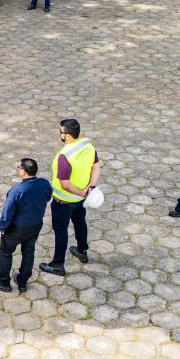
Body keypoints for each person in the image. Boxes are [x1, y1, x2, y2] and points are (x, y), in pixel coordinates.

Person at [39, 119, 101, 277]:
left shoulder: (64, 156)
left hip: (63, 202)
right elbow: (96, 165)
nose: (59, 134)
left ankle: (58, 264)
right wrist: (90, 189)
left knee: (61, 232)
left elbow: (65, 184)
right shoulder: (88, 146)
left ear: (67, 136)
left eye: (61, 132)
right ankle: (82, 251)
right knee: (80, 223)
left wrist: (82, 192)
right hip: (80, 201)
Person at [0, 158, 52, 293]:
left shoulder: (17, 190)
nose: (19, 170)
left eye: (20, 168)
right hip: (35, 225)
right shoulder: (44, 183)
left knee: (5, 252)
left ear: (24, 172)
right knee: (28, 252)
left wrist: (3, 228)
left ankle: (4, 282)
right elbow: (48, 197)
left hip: (17, 228)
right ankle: (22, 282)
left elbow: (8, 212)